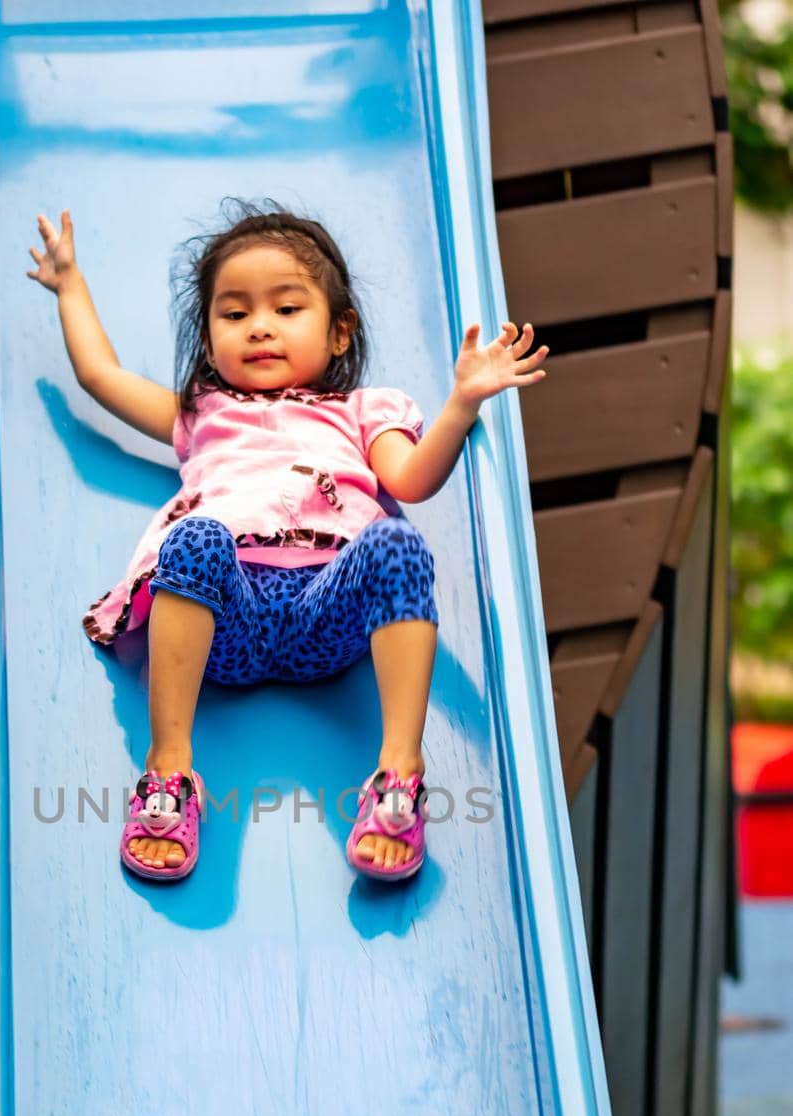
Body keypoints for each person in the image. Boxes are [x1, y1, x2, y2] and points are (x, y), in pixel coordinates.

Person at [27, 199, 547, 884]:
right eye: (234, 314)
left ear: (338, 333)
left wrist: (461, 403)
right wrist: (71, 287)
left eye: (286, 309)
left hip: (324, 615)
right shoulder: (202, 414)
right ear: (209, 336)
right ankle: (168, 771)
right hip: (227, 623)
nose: (259, 328)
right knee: (194, 539)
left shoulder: (365, 412)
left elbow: (412, 481)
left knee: (395, 542)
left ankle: (398, 775)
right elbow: (103, 378)